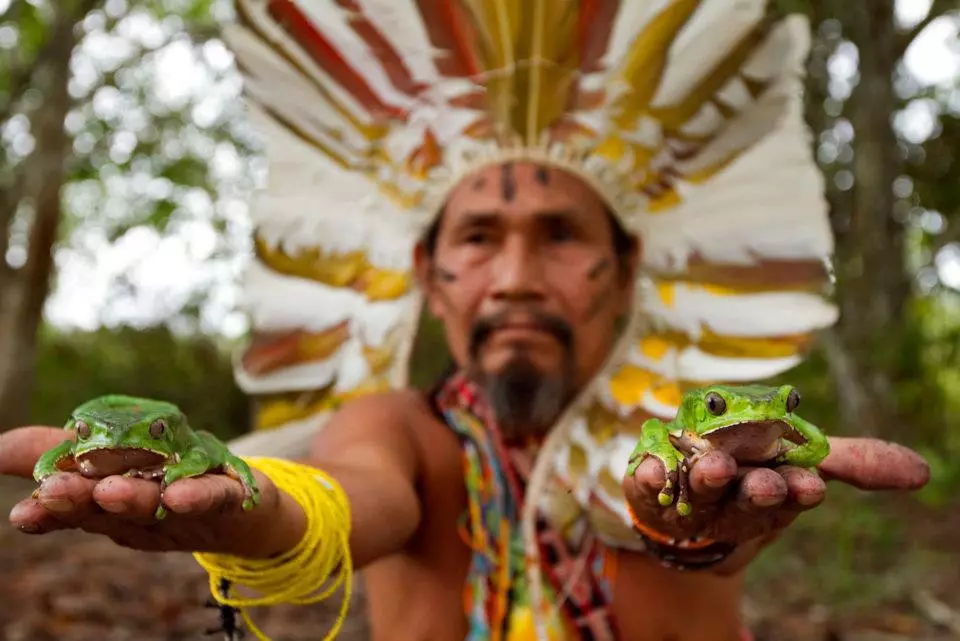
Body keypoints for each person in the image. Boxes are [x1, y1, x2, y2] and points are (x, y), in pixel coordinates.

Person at [0, 3, 931, 641]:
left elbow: (679, 518)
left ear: (626, 267)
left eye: (560, 235)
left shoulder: (698, 431)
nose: (516, 277)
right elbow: (351, 491)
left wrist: (694, 520)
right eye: (480, 237)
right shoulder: (397, 428)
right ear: (428, 275)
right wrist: (255, 507)